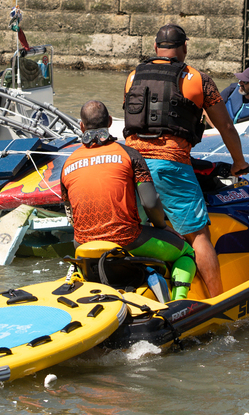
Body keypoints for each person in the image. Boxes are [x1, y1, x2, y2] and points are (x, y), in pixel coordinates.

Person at [123, 24, 249, 299]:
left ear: (156, 47)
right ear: (184, 48)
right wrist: (238, 162)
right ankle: (217, 300)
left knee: (137, 228)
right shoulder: (199, 79)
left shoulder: (133, 76)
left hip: (130, 163)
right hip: (170, 163)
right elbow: (226, 126)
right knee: (199, 235)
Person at [60, 100, 197, 301]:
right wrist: (162, 227)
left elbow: (71, 215)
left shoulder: (67, 164)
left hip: (83, 245)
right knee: (186, 252)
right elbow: (150, 203)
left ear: (82, 126)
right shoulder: (129, 155)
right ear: (109, 121)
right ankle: (180, 304)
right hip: (126, 239)